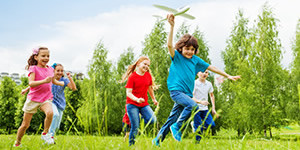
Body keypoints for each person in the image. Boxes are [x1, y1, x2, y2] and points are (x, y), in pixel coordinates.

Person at [152, 14, 240, 145]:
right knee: (193, 106)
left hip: (186, 94)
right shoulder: (176, 56)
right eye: (187, 49)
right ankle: (177, 127)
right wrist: (171, 27)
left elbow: (212, 67)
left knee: (173, 118)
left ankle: (157, 140)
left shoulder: (195, 60)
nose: (189, 52)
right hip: (176, 91)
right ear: (181, 48)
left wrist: (228, 75)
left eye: (192, 49)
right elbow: (169, 45)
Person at [14, 47, 64, 147]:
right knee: (25, 125)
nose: (46, 58)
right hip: (33, 99)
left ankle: (45, 134)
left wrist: (60, 83)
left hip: (46, 98)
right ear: (36, 57)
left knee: (50, 113)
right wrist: (44, 81)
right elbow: (31, 83)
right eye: (43, 56)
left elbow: (52, 80)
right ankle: (17, 143)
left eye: (48, 56)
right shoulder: (33, 68)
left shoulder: (50, 69)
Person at [21, 63, 77, 143]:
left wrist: (70, 77)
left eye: (61, 71)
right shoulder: (50, 78)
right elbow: (38, 84)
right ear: (54, 71)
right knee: (55, 114)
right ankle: (47, 136)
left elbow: (73, 88)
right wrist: (26, 89)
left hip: (60, 104)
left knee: (56, 126)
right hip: (50, 100)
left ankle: (49, 139)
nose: (60, 72)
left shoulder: (64, 80)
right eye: (58, 70)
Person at [120, 56, 158, 146]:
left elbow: (150, 88)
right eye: (145, 64)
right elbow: (128, 93)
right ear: (138, 64)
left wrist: (153, 99)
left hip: (144, 104)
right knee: (135, 127)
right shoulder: (132, 77)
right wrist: (137, 99)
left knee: (153, 120)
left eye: (148, 65)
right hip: (132, 104)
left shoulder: (148, 75)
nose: (146, 66)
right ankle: (131, 145)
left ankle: (138, 116)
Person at [192, 70, 217, 143]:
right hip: (196, 108)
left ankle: (196, 127)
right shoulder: (194, 83)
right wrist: (201, 102)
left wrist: (213, 108)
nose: (204, 74)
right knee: (198, 126)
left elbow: (212, 95)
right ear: (197, 73)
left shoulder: (209, 84)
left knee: (211, 124)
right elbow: (191, 97)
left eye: (206, 72)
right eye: (202, 72)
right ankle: (197, 143)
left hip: (205, 109)